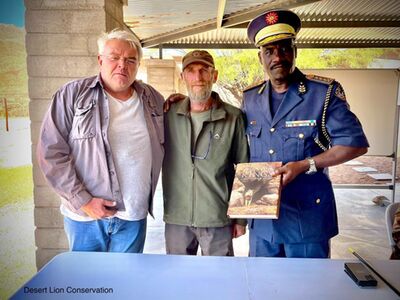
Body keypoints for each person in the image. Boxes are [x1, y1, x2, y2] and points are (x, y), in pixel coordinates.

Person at [243, 9, 369, 258]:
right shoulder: (249, 98)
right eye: (269, 51)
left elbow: (355, 144)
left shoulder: (322, 93)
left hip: (307, 220)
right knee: (262, 290)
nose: (278, 57)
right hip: (263, 220)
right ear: (260, 58)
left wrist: (305, 164)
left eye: (284, 48)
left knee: (308, 290)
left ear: (295, 51)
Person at [37, 29, 164, 253]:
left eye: (130, 60)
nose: (122, 65)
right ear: (100, 60)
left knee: (125, 284)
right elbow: (51, 153)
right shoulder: (72, 95)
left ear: (137, 65)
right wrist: (83, 201)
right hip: (85, 219)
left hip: (133, 217)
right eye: (114, 57)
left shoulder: (152, 99)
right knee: (88, 285)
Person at [162, 50, 248, 256]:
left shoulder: (233, 117)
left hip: (217, 218)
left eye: (204, 70)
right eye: (191, 71)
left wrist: (241, 218)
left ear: (214, 76)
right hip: (177, 219)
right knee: (178, 281)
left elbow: (244, 168)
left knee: (220, 282)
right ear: (182, 77)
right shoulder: (167, 114)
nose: (198, 77)